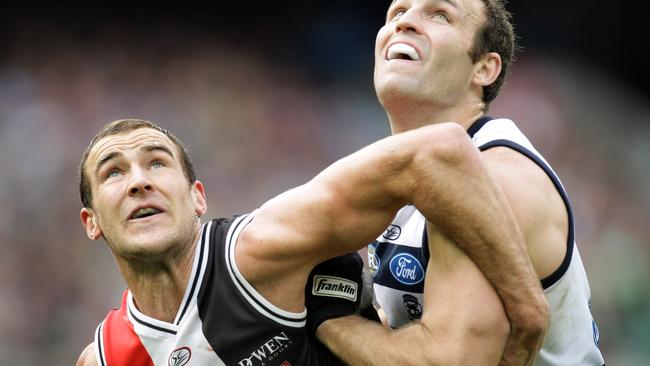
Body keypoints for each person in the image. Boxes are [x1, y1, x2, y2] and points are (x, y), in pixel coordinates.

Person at [75, 115, 546, 365]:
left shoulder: (256, 252)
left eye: (157, 163)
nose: (139, 181)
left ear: (198, 197)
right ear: (91, 221)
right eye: (113, 172)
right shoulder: (106, 358)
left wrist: (528, 311)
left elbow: (438, 151)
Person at [310, 0, 605, 365]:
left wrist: (328, 322)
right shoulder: (405, 174)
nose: (406, 24)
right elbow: (409, 327)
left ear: (484, 68)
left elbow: (449, 360)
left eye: (439, 15)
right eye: (397, 13)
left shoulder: (497, 179)